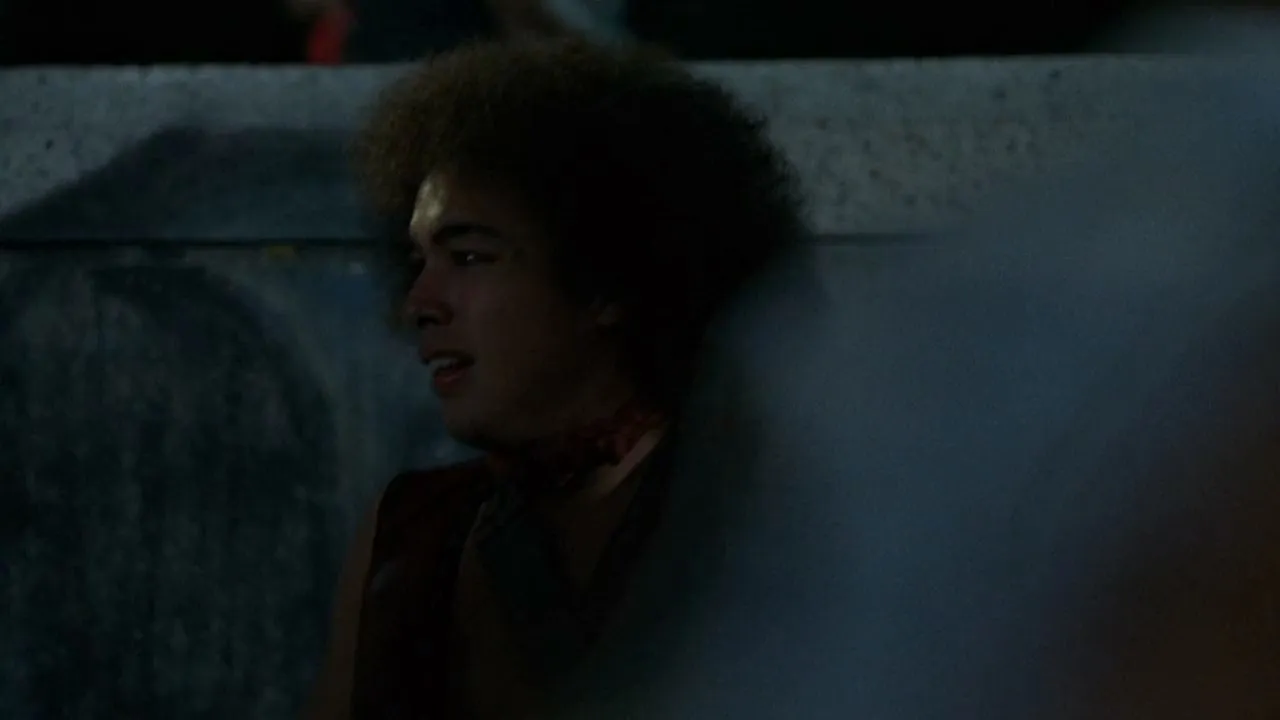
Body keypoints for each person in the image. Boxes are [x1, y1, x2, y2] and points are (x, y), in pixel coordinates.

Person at [304, 38, 807, 720]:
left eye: (470, 257)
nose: (419, 304)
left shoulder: (758, 511)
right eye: (418, 262)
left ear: (607, 280)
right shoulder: (411, 534)